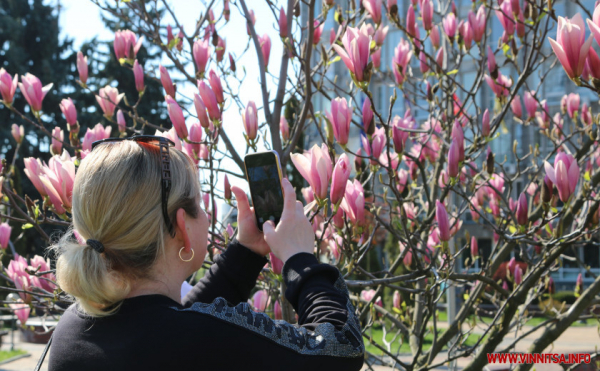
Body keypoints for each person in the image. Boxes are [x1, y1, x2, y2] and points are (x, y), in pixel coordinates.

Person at [48, 136, 365, 371]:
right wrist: (300, 261)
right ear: (182, 226)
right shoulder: (201, 340)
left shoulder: (70, 331)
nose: (208, 215)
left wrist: (245, 253)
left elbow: (171, 324)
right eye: (199, 205)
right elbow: (341, 350)